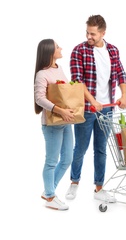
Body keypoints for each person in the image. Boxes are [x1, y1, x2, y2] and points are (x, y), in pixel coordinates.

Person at [65, 15, 126, 202]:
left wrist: (123, 95)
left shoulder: (113, 50)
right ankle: (74, 183)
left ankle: (99, 188)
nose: (89, 36)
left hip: (107, 110)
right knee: (80, 148)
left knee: (101, 149)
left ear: (103, 33)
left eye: (93, 33)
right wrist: (92, 101)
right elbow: (77, 81)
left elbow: (121, 74)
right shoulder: (79, 51)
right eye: (87, 32)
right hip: (86, 109)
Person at [34, 39, 75, 210]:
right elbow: (39, 98)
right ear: (51, 52)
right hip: (52, 124)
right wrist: (60, 110)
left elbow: (64, 92)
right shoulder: (42, 74)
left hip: (66, 121)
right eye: (58, 47)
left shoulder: (59, 69)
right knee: (52, 161)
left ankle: (48, 191)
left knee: (67, 159)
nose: (61, 48)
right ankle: (50, 197)